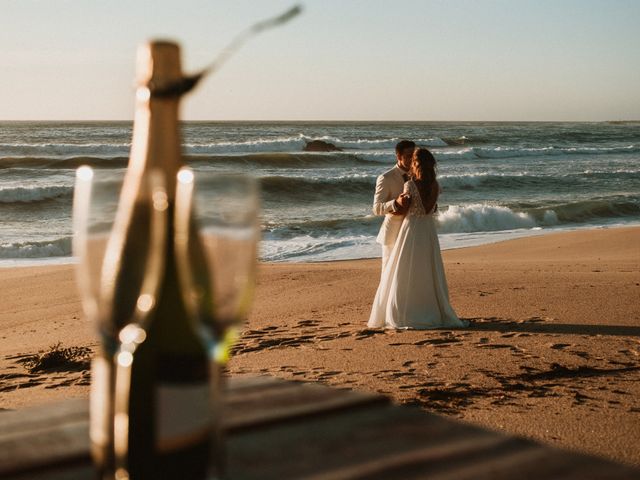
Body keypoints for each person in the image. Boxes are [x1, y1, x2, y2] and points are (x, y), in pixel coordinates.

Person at [368, 148, 468, 329]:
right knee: (426, 270)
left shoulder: (410, 185)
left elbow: (410, 208)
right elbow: (428, 208)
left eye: (412, 158)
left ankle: (405, 311)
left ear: (416, 163)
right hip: (427, 231)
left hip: (411, 229)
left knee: (404, 270)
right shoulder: (435, 185)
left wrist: (402, 203)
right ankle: (430, 308)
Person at [372, 140, 415, 271]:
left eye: (414, 155)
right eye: (408, 156)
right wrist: (396, 203)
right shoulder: (386, 178)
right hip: (393, 232)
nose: (412, 159)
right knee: (389, 271)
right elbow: (377, 208)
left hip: (413, 231)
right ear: (398, 156)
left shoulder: (418, 176)